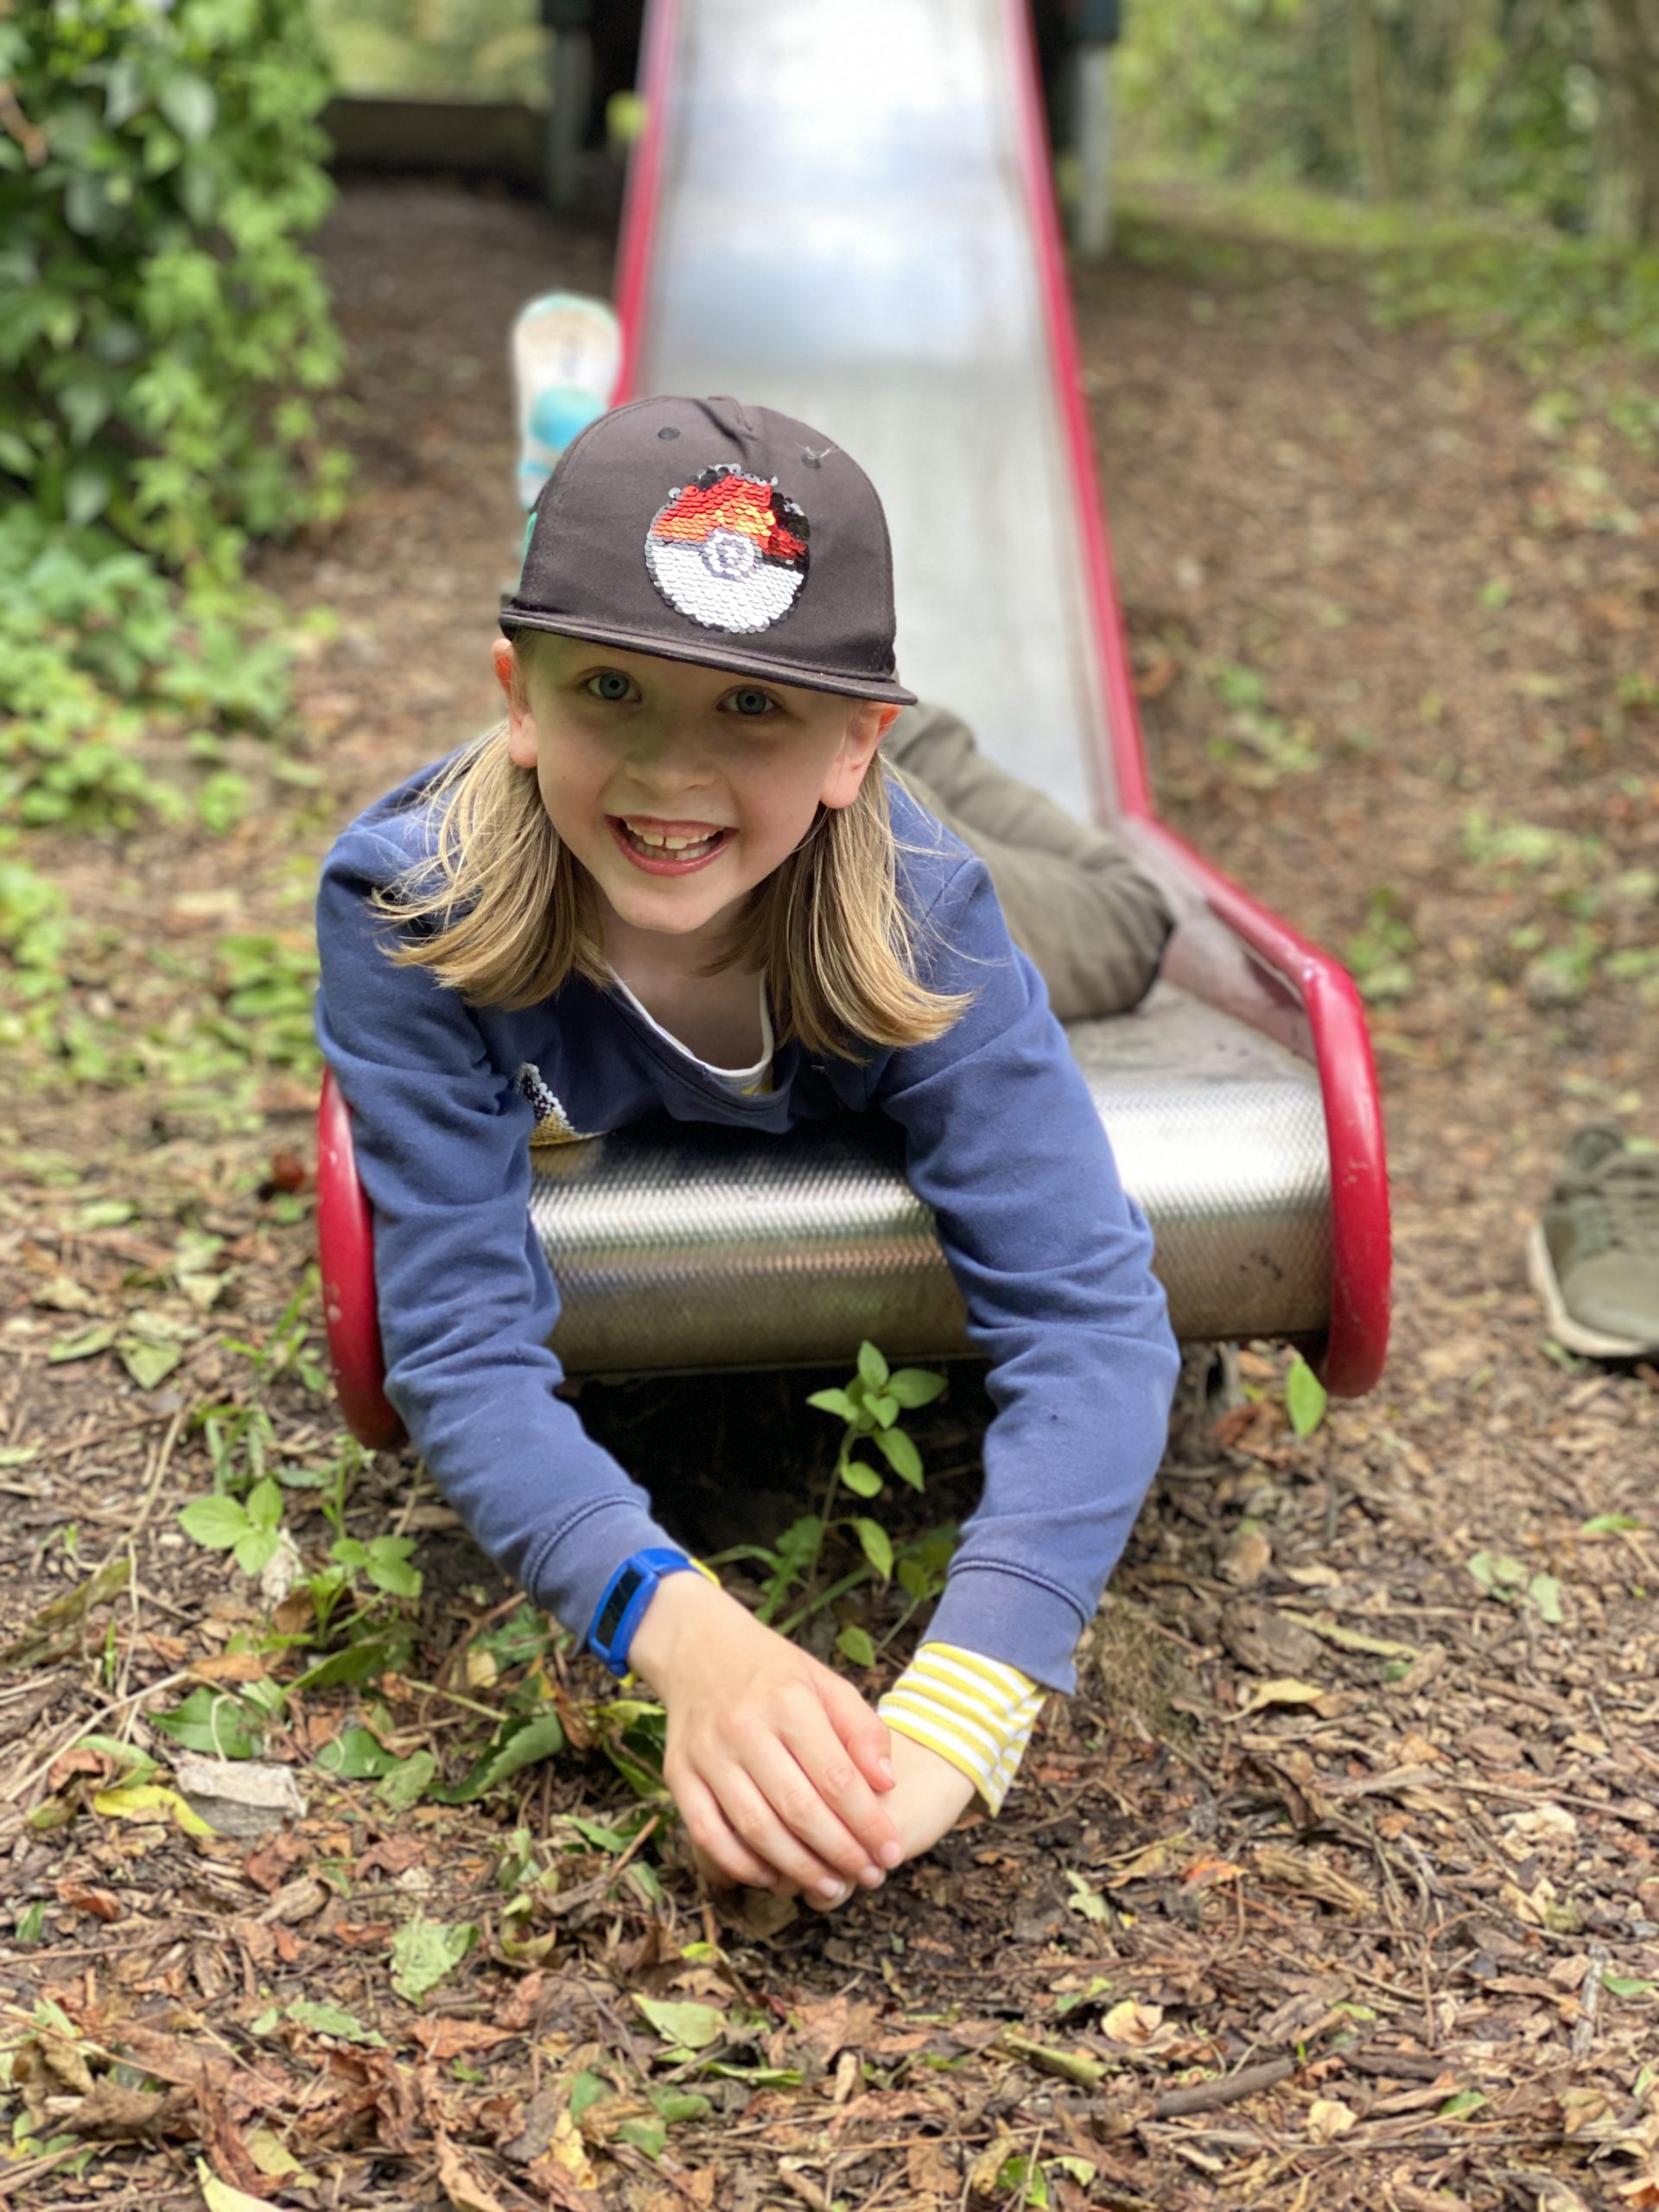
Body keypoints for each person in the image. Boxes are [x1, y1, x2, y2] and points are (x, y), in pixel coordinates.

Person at [315, 394, 1180, 1908]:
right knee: (722, 805)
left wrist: (958, 1714)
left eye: (750, 705)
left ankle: (939, 748)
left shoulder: (928, 912)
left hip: (904, 855)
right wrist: (687, 1634)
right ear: (518, 698)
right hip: (812, 812)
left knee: (1116, 921)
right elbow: (455, 1341)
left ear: (852, 737)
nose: (668, 773)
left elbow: (1093, 1315)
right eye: (612, 691)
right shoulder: (413, 909)